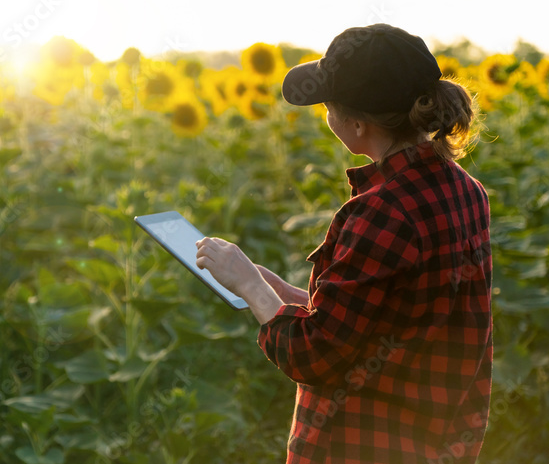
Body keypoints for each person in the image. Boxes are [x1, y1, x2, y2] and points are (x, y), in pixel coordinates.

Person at [195, 23, 493, 463]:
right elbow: (382, 316)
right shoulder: (466, 190)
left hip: (363, 443)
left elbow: (313, 355)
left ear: (355, 123)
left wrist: (249, 288)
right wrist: (284, 292)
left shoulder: (381, 210)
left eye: (327, 107)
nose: (326, 117)